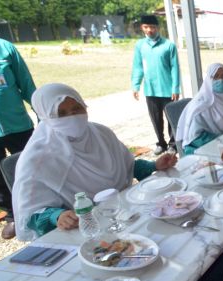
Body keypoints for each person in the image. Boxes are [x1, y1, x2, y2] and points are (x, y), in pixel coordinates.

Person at [12, 83, 177, 240]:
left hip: (123, 216)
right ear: (45, 117)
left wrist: (154, 165)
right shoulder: (37, 159)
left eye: (77, 109)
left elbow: (127, 166)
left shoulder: (101, 133)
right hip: (83, 230)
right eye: (61, 114)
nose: (72, 117)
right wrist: (57, 216)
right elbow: (30, 215)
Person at [0, 37, 37, 239]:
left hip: (16, 123)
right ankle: (12, 216)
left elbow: (25, 81)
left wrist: (39, 108)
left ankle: (39, 210)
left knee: (31, 166)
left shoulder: (4, 49)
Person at [132, 14, 180, 155]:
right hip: (150, 89)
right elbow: (138, 66)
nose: (149, 30)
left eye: (152, 27)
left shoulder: (168, 45)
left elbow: (174, 67)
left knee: (171, 118)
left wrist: (175, 87)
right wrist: (136, 85)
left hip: (167, 89)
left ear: (157, 28)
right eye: (146, 27)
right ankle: (161, 143)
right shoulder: (140, 46)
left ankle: (173, 144)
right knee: (155, 119)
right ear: (142, 28)